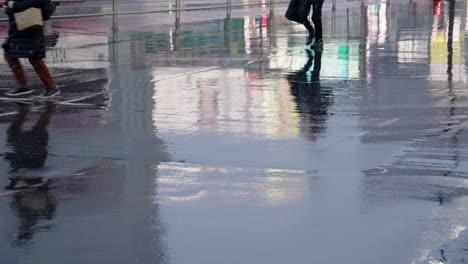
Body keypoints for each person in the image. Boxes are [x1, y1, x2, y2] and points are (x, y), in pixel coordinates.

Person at [2, 0, 60, 98]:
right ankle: (23, 85)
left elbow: (37, 3)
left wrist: (15, 5)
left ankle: (51, 87)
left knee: (34, 57)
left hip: (30, 28)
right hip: (17, 27)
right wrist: (8, 8)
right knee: (9, 53)